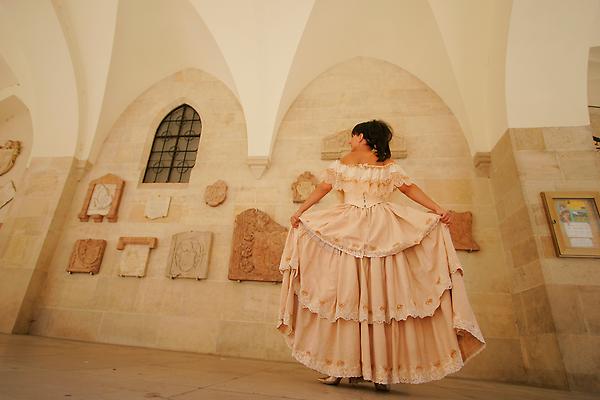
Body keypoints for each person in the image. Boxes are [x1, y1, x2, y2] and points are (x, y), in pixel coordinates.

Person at [276, 120, 486, 392]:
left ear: (361, 136)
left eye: (352, 135)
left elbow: (323, 189)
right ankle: (380, 373)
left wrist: (300, 212)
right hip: (383, 227)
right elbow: (410, 189)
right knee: (381, 297)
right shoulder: (388, 164)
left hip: (349, 226)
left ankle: (338, 368)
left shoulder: (348, 160)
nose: (350, 140)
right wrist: (437, 208)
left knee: (348, 294)